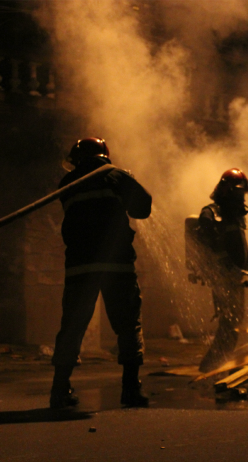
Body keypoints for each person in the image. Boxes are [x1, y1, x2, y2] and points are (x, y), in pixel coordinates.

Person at [50, 138, 152, 409]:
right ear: (105, 155)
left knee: (72, 325)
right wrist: (125, 183)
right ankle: (131, 389)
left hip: (80, 266)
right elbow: (143, 207)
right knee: (127, 324)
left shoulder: (67, 184)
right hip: (116, 265)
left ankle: (59, 389)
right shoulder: (116, 176)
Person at [195, 168, 248, 373]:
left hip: (235, 276)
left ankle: (217, 363)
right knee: (230, 323)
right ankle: (212, 366)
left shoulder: (234, 216)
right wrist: (223, 270)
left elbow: (239, 246)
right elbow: (205, 248)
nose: (241, 198)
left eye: (242, 194)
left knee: (233, 322)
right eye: (238, 193)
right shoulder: (211, 213)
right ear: (226, 191)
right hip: (223, 277)